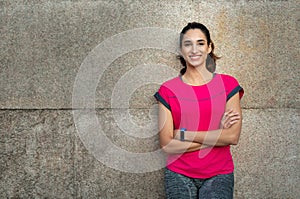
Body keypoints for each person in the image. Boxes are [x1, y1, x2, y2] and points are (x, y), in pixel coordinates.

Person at [154, 22, 244, 199]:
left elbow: (232, 137)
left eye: (201, 43)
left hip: (219, 174)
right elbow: (167, 145)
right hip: (178, 174)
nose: (194, 49)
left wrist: (183, 134)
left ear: (209, 47)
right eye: (188, 44)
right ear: (181, 50)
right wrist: (217, 135)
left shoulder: (228, 85)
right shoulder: (168, 90)